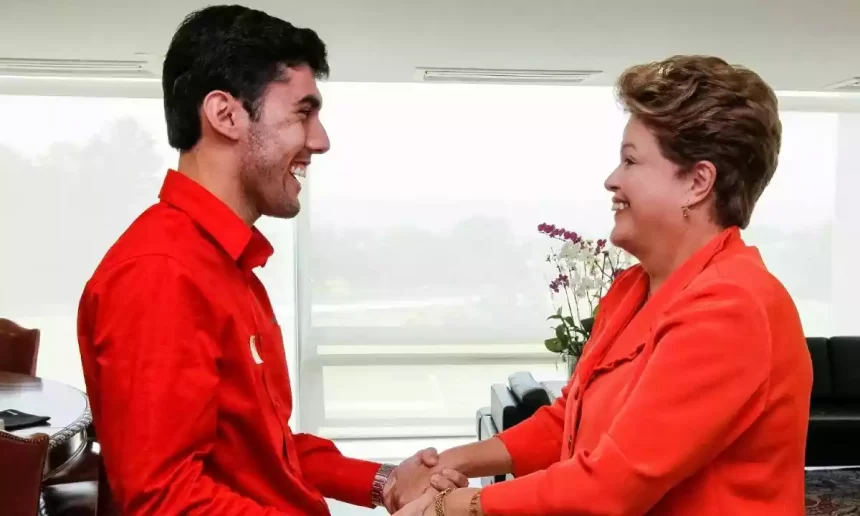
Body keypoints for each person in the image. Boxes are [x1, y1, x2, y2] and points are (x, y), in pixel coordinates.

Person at [76, 5, 465, 515]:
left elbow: (267, 451)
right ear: (226, 115)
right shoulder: (161, 272)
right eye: (304, 112)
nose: (320, 141)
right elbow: (163, 499)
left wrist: (386, 481)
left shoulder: (227, 266)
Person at [393, 55, 814, 515]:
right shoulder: (633, 288)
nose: (612, 180)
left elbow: (610, 487)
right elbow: (567, 423)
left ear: (697, 182)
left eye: (631, 161)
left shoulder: (730, 306)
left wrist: (451, 506)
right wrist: (451, 463)